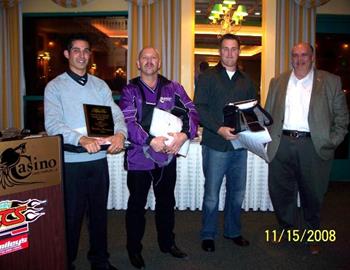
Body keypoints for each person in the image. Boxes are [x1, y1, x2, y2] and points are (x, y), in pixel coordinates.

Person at [44, 34, 127, 270]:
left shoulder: (100, 85)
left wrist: (120, 134)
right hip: (71, 163)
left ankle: (99, 260)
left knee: (99, 215)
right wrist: (81, 139)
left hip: (98, 161)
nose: (82, 55)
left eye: (86, 50)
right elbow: (53, 124)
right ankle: (65, 261)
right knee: (71, 217)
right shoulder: (55, 87)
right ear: (67, 54)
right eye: (76, 50)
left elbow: (116, 115)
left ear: (90, 55)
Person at [264, 42, 349, 254]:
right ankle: (287, 229)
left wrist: (332, 140)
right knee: (281, 192)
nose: (299, 59)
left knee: (313, 193)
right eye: (295, 55)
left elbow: (342, 117)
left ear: (312, 57)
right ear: (290, 58)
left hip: (313, 145)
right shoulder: (278, 81)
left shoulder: (330, 81)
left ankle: (313, 235)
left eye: (304, 55)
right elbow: (267, 114)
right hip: (281, 144)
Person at [119, 47, 199, 269]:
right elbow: (128, 121)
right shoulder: (129, 90)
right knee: (137, 205)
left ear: (159, 62)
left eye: (153, 58)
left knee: (166, 202)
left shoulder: (173, 87)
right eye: (145, 58)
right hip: (139, 158)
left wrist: (185, 135)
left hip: (166, 158)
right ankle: (134, 249)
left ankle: (167, 243)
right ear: (137, 63)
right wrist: (148, 141)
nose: (149, 61)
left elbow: (192, 110)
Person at [194, 34, 257, 252]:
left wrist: (250, 130)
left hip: (240, 145)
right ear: (220, 52)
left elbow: (252, 111)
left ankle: (233, 231)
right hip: (215, 144)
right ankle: (208, 234)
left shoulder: (247, 81)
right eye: (226, 49)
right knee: (212, 194)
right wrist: (219, 129)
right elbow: (199, 109)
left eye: (234, 49)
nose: (230, 53)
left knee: (237, 192)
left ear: (239, 52)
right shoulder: (207, 77)